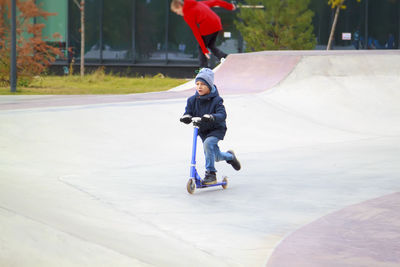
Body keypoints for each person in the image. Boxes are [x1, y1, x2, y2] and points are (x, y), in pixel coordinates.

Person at [180, 68, 241, 185]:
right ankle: (230, 157)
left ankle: (211, 174)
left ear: (210, 85)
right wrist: (186, 117)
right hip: (203, 131)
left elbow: (222, 114)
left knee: (208, 144)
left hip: (216, 129)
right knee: (215, 156)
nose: (199, 87)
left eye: (203, 84)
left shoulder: (217, 100)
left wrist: (212, 116)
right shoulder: (192, 100)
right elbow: (188, 112)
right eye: (197, 84)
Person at [170, 0, 236, 68]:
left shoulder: (187, 14)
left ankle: (203, 69)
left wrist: (204, 49)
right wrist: (230, 6)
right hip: (217, 23)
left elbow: (196, 31)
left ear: (179, 6)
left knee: (201, 48)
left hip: (208, 26)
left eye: (176, 11)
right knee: (211, 46)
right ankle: (225, 57)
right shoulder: (198, 3)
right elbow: (215, 2)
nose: (177, 13)